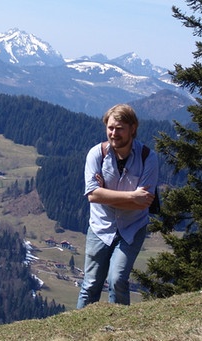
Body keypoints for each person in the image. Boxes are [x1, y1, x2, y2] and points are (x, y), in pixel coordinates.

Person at [76, 103, 158, 309]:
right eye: (110, 128)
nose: (114, 133)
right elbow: (93, 195)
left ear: (133, 128)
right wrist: (132, 196)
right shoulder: (97, 154)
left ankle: (120, 329)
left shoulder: (148, 158)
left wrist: (106, 194)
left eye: (119, 128)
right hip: (100, 227)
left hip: (132, 228)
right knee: (91, 284)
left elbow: (144, 201)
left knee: (117, 280)